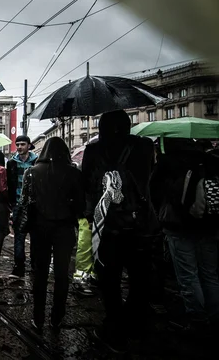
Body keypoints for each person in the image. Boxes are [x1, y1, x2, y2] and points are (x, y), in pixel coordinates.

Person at [82, 109, 158, 354]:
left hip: (107, 225)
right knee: (140, 276)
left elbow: (88, 185)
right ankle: (136, 322)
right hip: (140, 224)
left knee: (109, 277)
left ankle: (113, 324)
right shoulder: (145, 147)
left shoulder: (94, 150)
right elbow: (150, 180)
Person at [150, 138, 219, 333]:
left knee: (188, 274)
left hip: (178, 225)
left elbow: (153, 190)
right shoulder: (208, 160)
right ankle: (215, 317)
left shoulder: (168, 162)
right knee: (210, 274)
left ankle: (197, 320)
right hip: (208, 223)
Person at [18, 137, 84, 333]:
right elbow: (81, 205)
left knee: (40, 273)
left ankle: (38, 317)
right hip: (64, 229)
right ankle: (57, 316)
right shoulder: (74, 173)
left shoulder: (31, 172)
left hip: (40, 228)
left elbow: (25, 201)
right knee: (62, 274)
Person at [7, 135, 38, 278]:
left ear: (29, 145)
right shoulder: (12, 163)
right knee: (19, 236)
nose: (19, 147)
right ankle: (19, 267)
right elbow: (10, 184)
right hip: (18, 204)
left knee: (35, 236)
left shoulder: (36, 161)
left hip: (34, 204)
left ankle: (34, 264)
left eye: (22, 144)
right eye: (17, 144)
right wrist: (11, 204)